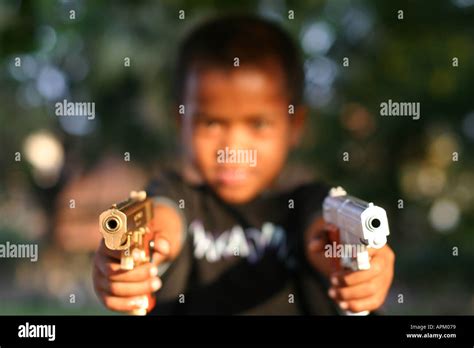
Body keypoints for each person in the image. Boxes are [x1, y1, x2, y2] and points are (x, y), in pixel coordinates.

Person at [93, 14, 395, 315]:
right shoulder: (174, 194)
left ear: (295, 124)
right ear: (180, 120)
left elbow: (324, 230)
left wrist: (359, 268)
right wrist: (134, 257)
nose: (233, 149)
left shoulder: (309, 205)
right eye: (211, 123)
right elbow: (163, 220)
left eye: (259, 124)